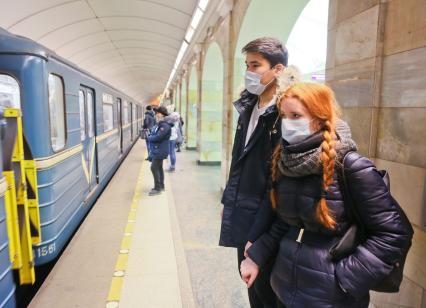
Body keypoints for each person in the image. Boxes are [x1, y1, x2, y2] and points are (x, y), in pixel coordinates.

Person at [240, 83, 413, 307]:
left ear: (320, 118)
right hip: (284, 289)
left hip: (331, 298)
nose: (288, 123)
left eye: (296, 115)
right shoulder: (287, 162)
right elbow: (287, 224)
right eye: (284, 116)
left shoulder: (351, 166)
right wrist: (256, 257)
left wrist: (343, 280)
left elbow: (393, 234)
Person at [219, 37, 288, 308]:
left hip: (269, 220)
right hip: (244, 212)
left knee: (269, 293)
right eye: (247, 65)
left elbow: (279, 184)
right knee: (253, 290)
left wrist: (258, 239)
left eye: (256, 65)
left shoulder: (285, 114)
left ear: (278, 69)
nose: (249, 72)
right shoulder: (247, 108)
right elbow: (238, 160)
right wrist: (228, 200)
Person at [146, 106, 172, 196]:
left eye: (157, 113)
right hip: (158, 149)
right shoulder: (161, 124)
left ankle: (157, 188)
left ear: (161, 114)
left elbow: (158, 137)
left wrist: (149, 138)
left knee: (153, 167)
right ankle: (161, 186)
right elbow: (155, 134)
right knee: (159, 168)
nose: (156, 114)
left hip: (160, 150)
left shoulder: (164, 126)